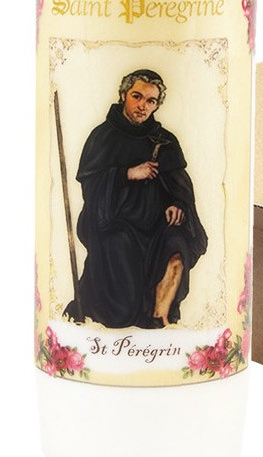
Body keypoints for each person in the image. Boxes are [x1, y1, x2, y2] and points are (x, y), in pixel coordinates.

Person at [66, 69, 207, 329]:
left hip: (156, 225)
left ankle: (159, 318)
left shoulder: (165, 141)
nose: (143, 106)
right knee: (119, 244)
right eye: (137, 96)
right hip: (114, 222)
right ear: (123, 95)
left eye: (151, 100)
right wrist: (127, 174)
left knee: (177, 243)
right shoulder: (102, 136)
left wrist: (177, 205)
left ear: (157, 105)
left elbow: (180, 187)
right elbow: (91, 189)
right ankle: (119, 319)